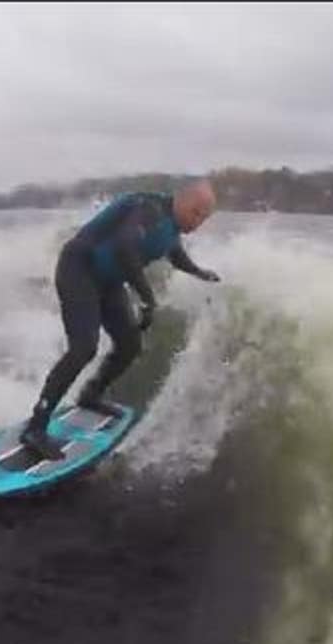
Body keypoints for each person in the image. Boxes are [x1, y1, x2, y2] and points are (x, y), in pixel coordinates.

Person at [20, 179, 221, 459]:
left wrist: (200, 272)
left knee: (130, 345)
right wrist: (147, 298)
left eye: (205, 218)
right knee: (83, 348)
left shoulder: (171, 226)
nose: (199, 222)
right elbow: (125, 248)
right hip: (79, 269)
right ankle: (35, 427)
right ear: (183, 200)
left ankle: (90, 395)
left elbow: (173, 251)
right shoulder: (148, 209)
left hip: (107, 281)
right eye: (197, 213)